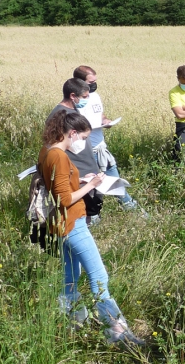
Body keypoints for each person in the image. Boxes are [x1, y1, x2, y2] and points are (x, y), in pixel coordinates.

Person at [38, 110, 143, 347]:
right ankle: (117, 334)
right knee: (99, 278)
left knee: (70, 278)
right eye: (83, 138)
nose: (84, 143)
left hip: (59, 225)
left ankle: (74, 326)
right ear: (72, 133)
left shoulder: (47, 150)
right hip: (73, 224)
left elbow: (58, 186)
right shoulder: (60, 156)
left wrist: (81, 181)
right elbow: (64, 199)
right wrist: (93, 184)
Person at [73, 65, 140, 211]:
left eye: (95, 81)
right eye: (90, 83)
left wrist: (105, 121)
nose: (94, 85)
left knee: (117, 186)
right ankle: (94, 219)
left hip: (102, 150)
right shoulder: (75, 102)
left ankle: (136, 212)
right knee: (92, 192)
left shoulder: (95, 96)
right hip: (87, 152)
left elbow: (100, 114)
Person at [48, 78, 104, 225]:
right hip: (78, 170)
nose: (87, 100)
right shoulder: (60, 115)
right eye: (84, 97)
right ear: (73, 96)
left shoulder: (72, 110)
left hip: (85, 171)